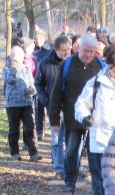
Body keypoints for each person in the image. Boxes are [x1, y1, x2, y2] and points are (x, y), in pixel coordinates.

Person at [74, 46, 115, 195]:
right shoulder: (96, 83)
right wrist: (84, 117)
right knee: (104, 182)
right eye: (114, 70)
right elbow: (80, 105)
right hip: (100, 139)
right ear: (109, 67)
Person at [49, 34, 105, 195]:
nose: (88, 54)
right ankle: (70, 180)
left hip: (95, 119)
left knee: (95, 153)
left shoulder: (101, 66)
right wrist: (54, 119)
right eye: (86, 51)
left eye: (92, 51)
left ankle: (97, 186)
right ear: (78, 48)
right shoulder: (67, 65)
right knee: (72, 150)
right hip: (72, 116)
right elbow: (57, 93)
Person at [36, 35, 72, 180]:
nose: (67, 53)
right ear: (56, 49)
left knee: (72, 139)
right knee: (57, 139)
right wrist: (45, 100)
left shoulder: (73, 63)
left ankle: (74, 167)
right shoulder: (45, 63)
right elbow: (38, 83)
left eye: (69, 50)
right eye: (64, 50)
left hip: (71, 107)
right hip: (54, 108)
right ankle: (59, 169)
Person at [2, 45, 40, 161]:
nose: (19, 59)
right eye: (16, 57)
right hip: (13, 104)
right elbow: (10, 80)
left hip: (27, 103)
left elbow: (32, 83)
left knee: (30, 128)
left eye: (20, 57)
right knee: (14, 129)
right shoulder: (6, 69)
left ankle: (33, 153)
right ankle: (15, 153)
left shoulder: (25, 68)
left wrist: (32, 90)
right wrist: (13, 67)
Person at [32, 29, 52, 139]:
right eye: (36, 39)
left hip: (46, 81)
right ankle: (40, 130)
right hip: (35, 81)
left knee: (46, 105)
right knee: (37, 108)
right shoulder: (32, 51)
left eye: (39, 38)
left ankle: (49, 125)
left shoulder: (49, 50)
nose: (38, 41)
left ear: (44, 39)